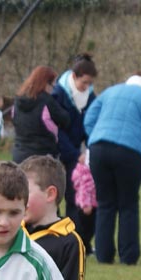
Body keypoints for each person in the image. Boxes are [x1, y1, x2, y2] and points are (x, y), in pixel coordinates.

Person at [84, 71, 141, 265]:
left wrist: (96, 137)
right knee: (128, 205)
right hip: (130, 152)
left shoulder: (110, 92)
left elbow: (88, 119)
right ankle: (128, 256)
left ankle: (103, 254)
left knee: (105, 203)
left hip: (99, 148)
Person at [52, 53, 98, 253]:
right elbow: (56, 129)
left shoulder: (92, 97)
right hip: (60, 151)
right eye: (83, 82)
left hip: (79, 154)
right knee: (62, 197)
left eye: (89, 83)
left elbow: (91, 125)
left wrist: (88, 150)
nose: (85, 87)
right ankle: (67, 241)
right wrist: (72, 153)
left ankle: (80, 242)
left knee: (79, 197)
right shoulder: (59, 94)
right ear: (74, 76)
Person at [12, 65, 70, 164]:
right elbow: (66, 120)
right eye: (53, 85)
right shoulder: (47, 101)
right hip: (42, 157)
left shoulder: (17, 101)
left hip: (19, 155)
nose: (53, 89)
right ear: (46, 84)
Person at [71, 149, 97, 221]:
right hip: (89, 206)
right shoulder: (87, 174)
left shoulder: (81, 172)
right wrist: (86, 205)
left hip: (83, 204)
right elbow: (84, 189)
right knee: (87, 229)